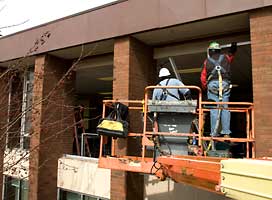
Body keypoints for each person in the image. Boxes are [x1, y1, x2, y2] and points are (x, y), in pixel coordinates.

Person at [200, 41, 237, 137]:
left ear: (210, 51)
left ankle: (214, 133)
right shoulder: (225, 57)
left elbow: (203, 77)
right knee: (225, 108)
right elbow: (231, 54)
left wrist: (205, 87)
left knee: (214, 109)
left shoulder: (207, 61)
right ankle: (226, 132)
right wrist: (233, 47)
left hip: (212, 85)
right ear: (218, 50)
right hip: (224, 84)